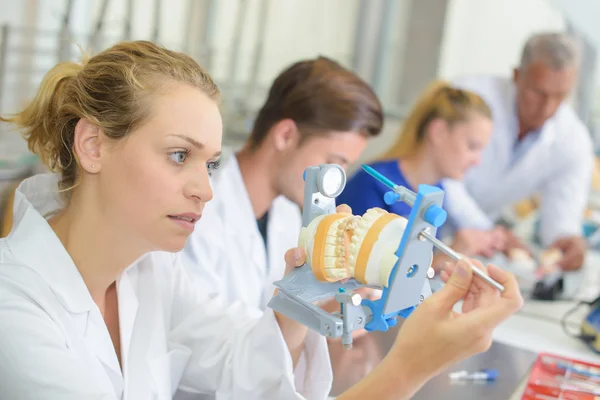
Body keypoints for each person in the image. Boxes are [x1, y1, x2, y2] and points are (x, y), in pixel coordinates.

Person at [0, 40, 523, 400]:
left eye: (209, 163)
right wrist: (409, 367)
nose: (205, 189)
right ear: (93, 145)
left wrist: (304, 295)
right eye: (179, 155)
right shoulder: (15, 313)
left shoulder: (147, 272)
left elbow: (237, 358)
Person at [180, 56, 384, 391]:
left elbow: (272, 320)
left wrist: (327, 306)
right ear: (286, 135)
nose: (338, 180)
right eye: (333, 163)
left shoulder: (289, 214)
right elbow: (206, 344)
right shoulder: (197, 213)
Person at [443, 32, 595, 271]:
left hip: (476, 250)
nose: (548, 108)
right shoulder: (466, 97)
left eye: (560, 96)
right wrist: (488, 231)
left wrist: (566, 241)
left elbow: (561, 217)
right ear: (517, 76)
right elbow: (441, 176)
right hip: (428, 226)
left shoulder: (573, 140)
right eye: (538, 93)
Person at [337, 81, 503, 260]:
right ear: (438, 132)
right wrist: (446, 256)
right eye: (472, 146)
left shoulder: (438, 192)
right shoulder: (372, 184)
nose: (477, 161)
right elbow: (355, 274)